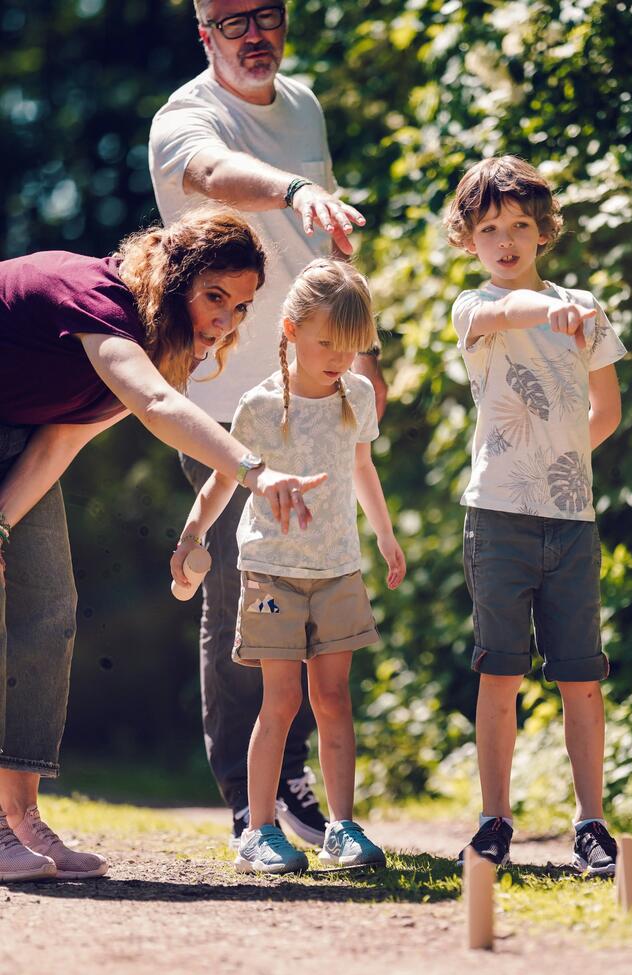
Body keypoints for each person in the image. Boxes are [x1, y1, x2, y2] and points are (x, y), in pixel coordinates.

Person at [0, 205, 329, 882]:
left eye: (239, 307)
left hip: (17, 438)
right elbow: (154, 405)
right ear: (174, 277)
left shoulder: (155, 342)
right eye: (214, 297)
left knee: (48, 612)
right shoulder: (95, 297)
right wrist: (255, 471)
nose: (224, 321)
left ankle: (18, 820)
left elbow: (62, 436)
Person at [149, 0, 387, 847]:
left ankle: (295, 789)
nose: (256, 33)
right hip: (222, 401)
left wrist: (366, 355)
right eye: (233, 19)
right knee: (242, 595)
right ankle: (257, 799)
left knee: (318, 586)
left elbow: (325, 257)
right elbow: (213, 176)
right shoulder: (187, 117)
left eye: (270, 15)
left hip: (316, 396)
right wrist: (292, 188)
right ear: (203, 32)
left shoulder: (305, 105)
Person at [171, 258, 404, 874]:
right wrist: (193, 533)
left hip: (337, 571)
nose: (337, 357)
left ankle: (342, 827)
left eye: (350, 346)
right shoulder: (259, 406)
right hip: (271, 572)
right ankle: (260, 830)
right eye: (326, 341)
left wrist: (385, 538)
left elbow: (362, 469)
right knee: (281, 700)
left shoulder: (355, 394)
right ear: (291, 329)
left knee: (333, 698)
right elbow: (225, 481)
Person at [444, 156, 626, 876]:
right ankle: (494, 821)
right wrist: (549, 310)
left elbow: (606, 410)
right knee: (501, 675)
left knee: (581, 677)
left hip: (572, 522)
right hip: (496, 521)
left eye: (521, 224)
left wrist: (562, 454)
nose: (507, 239)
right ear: (469, 238)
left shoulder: (587, 309)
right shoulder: (473, 309)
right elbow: (504, 311)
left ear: (544, 230)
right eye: (490, 228)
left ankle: (591, 824)